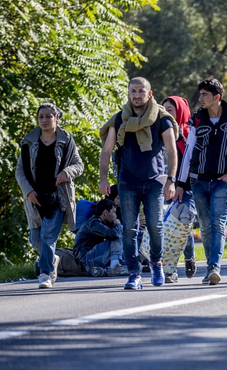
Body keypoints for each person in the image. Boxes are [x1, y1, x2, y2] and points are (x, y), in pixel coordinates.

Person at [99, 77, 179, 290]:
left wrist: (171, 180)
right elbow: (106, 150)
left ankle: (156, 262)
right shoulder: (119, 120)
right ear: (128, 93)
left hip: (155, 181)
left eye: (140, 91)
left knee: (155, 226)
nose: (136, 95)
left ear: (149, 94)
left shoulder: (162, 118)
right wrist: (103, 179)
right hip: (128, 182)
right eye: (133, 91)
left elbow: (172, 150)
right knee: (130, 230)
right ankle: (134, 273)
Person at [176, 77, 227, 286]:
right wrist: (181, 183)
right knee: (206, 226)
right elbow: (188, 152)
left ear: (217, 97)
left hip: (222, 182)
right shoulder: (196, 119)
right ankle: (210, 267)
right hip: (198, 181)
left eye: (205, 95)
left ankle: (214, 268)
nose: (200, 99)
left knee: (217, 225)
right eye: (200, 95)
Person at [16, 103, 84, 289]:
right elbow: (20, 171)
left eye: (49, 116)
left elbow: (79, 165)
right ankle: (53, 258)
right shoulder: (28, 141)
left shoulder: (66, 140)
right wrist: (28, 191)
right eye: (41, 117)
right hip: (35, 196)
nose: (45, 120)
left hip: (58, 197)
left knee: (48, 236)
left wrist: (66, 173)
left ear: (57, 118)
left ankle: (45, 274)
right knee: (35, 239)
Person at [162, 95, 198, 280]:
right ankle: (170, 271)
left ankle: (189, 257)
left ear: (180, 111)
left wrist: (180, 184)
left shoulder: (190, 134)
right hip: (162, 188)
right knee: (167, 229)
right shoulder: (159, 132)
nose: (166, 114)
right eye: (164, 110)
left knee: (183, 226)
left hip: (187, 190)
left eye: (170, 110)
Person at [73, 199, 128, 277]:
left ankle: (105, 271)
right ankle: (115, 266)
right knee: (116, 236)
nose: (115, 216)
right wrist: (118, 225)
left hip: (91, 259)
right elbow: (113, 234)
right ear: (105, 213)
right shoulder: (93, 223)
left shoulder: (101, 223)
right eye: (114, 212)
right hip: (85, 260)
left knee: (130, 265)